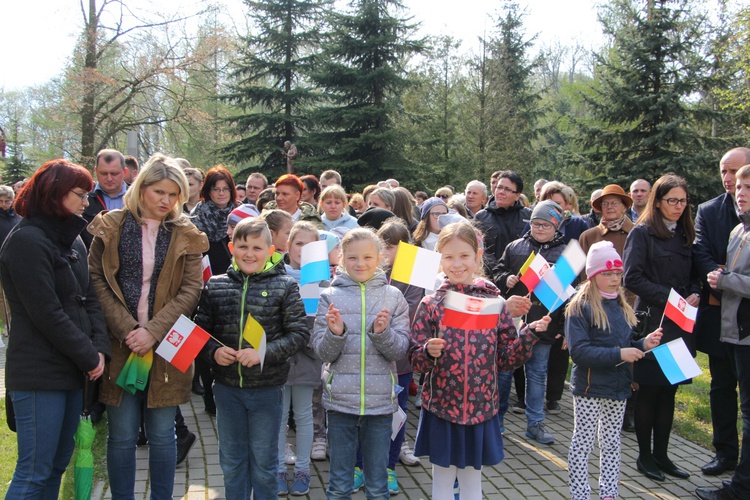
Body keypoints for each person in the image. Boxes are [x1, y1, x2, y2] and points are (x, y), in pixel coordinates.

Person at [87, 154, 208, 499]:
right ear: (141, 189)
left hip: (169, 344)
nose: (166, 201)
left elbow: (191, 290)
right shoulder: (110, 226)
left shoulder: (186, 232)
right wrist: (129, 329)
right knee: (122, 435)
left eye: (174, 194)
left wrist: (152, 331)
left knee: (163, 434)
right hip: (119, 342)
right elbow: (96, 280)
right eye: (159, 192)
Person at [410, 222, 549, 500]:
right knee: (442, 480)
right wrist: (428, 351)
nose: (457, 263)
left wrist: (529, 335)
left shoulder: (494, 303)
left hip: (480, 408)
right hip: (441, 407)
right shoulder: (432, 304)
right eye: (448, 256)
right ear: (439, 259)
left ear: (477, 255)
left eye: (464, 255)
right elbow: (415, 360)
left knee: (473, 481)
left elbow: (507, 359)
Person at [1, 159, 109, 499]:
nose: (86, 202)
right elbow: (45, 312)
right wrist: (89, 355)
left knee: (58, 465)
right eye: (80, 194)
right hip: (38, 373)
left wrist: (100, 348)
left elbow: (89, 298)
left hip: (72, 369)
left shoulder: (71, 239)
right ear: (54, 193)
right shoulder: (26, 240)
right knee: (34, 472)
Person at [196, 217, 309, 500]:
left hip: (266, 390)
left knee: (264, 463)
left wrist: (263, 353)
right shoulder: (215, 285)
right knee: (232, 461)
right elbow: (200, 333)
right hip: (226, 389)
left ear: (270, 251)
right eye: (243, 246)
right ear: (232, 247)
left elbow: (298, 334)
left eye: (257, 248)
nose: (249, 254)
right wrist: (213, 352)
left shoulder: (285, 286)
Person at [312, 227, 411, 499]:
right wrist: (335, 333)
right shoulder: (328, 296)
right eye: (353, 257)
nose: (360, 263)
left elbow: (400, 349)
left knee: (378, 482)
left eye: (368, 257)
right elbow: (322, 353)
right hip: (340, 401)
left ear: (380, 258)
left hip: (380, 404)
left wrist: (382, 333)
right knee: (340, 481)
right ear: (342, 259)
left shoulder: (394, 297)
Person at [566, 241, 663, 500]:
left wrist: (644, 343)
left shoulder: (622, 305)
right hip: (590, 387)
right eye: (606, 273)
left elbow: (626, 345)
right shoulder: (579, 307)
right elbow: (580, 353)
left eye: (617, 273)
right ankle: (580, 493)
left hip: (618, 388)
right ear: (593, 275)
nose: (613, 279)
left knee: (611, 443)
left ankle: (608, 492)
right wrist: (621, 354)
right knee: (583, 442)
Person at [623, 173, 699, 482]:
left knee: (669, 393)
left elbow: (696, 271)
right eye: (672, 201)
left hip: (681, 326)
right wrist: (670, 297)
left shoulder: (686, 233)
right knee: (649, 393)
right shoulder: (641, 233)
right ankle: (644, 457)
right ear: (658, 201)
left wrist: (695, 292)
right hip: (653, 325)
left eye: (683, 201)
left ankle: (663, 455)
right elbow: (632, 277)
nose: (679, 207)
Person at [693, 147, 749, 477]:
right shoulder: (709, 210)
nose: (729, 180)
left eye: (736, 173)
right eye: (724, 171)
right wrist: (720, 283)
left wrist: (729, 278)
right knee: (721, 387)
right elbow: (700, 253)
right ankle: (725, 453)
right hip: (718, 313)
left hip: (746, 316)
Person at [493, 200, 568, 445]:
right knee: (504, 373)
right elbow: (497, 273)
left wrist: (562, 327)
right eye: (535, 224)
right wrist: (507, 278)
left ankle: (535, 423)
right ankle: (498, 420)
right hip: (512, 324)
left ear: (556, 226)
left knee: (537, 375)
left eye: (545, 225)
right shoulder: (515, 247)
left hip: (543, 324)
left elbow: (570, 294)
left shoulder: (564, 253)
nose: (539, 228)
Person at [277, 221, 324, 495]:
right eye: (298, 243)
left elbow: (325, 323)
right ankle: (279, 469)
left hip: (307, 358)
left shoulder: (322, 281)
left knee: (304, 415)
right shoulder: (275, 275)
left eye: (310, 245)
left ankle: (303, 469)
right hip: (280, 360)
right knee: (280, 415)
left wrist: (307, 340)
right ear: (288, 245)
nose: (303, 250)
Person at [474, 170, 531, 273]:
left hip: (519, 275)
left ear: (517, 195)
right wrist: (499, 270)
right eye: (499, 187)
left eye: (507, 189)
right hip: (490, 275)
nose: (501, 192)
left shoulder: (528, 216)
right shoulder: (481, 216)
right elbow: (478, 247)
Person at [81, 148, 129, 247]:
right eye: (103, 173)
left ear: (124, 172)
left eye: (114, 173)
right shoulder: (84, 198)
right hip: (93, 259)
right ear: (96, 171)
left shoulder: (139, 198)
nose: (109, 178)